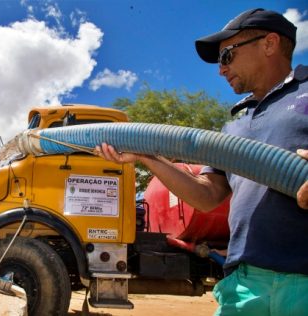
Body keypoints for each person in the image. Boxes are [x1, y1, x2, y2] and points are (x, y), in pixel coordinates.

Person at [96, 8, 308, 316]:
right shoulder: (235, 126)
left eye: (226, 57)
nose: (221, 71)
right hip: (244, 283)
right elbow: (207, 194)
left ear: (269, 43)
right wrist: (147, 157)